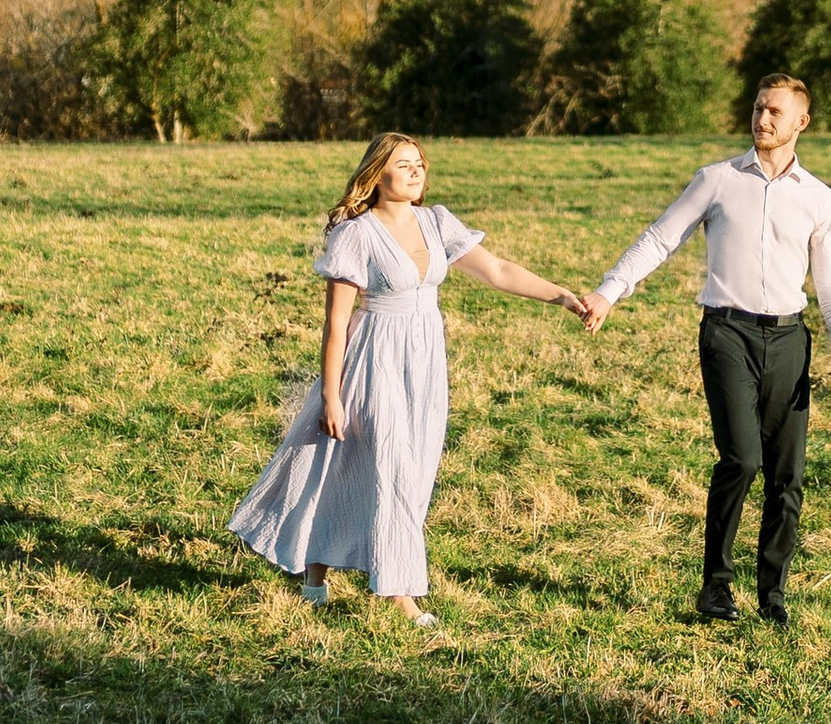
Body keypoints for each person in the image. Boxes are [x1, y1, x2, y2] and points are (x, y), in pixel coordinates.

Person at [230, 129, 587, 630]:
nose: (417, 171)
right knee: (390, 466)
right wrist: (331, 394)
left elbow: (499, 271)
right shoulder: (355, 233)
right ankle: (400, 593)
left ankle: (315, 574)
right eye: (404, 164)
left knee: (397, 466)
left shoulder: (435, 221)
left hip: (423, 362)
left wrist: (562, 295)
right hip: (373, 356)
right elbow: (335, 324)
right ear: (378, 174)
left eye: (420, 162)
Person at [580, 72, 831, 626]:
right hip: (726, 333)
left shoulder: (818, 198)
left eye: (774, 112)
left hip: (788, 338)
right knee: (742, 458)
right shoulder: (716, 180)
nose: (762, 119)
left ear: (800, 122)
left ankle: (773, 594)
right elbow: (660, 238)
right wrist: (609, 291)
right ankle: (716, 587)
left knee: (788, 474)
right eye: (758, 108)